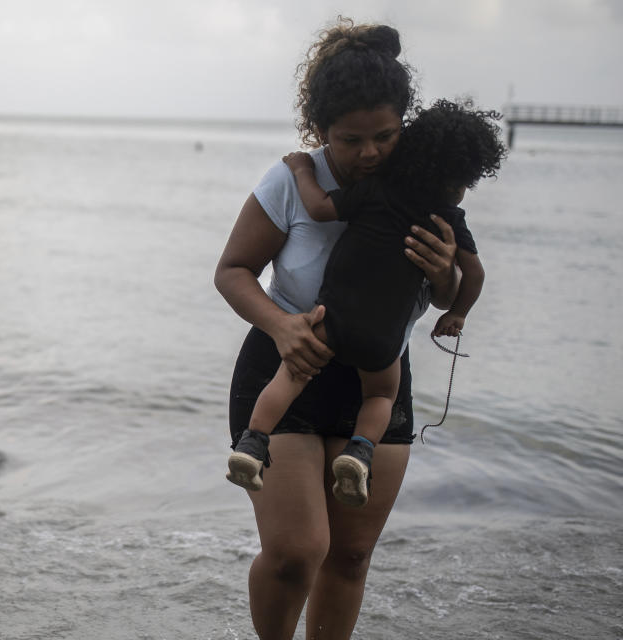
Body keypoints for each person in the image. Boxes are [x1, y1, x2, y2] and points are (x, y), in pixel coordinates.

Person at [214, 18, 462, 639]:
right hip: (286, 369)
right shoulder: (292, 183)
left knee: (349, 557)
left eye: (385, 136)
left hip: (377, 379)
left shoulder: (421, 186)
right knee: (299, 551)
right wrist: (280, 325)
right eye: (350, 140)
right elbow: (232, 270)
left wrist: (447, 277)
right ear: (319, 131)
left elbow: (443, 292)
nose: (370, 154)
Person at [227, 98, 506, 506]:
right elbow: (475, 276)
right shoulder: (449, 218)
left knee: (290, 376)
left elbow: (321, 208)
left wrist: (303, 169)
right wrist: (459, 313)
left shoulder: (374, 190)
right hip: (383, 338)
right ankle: (359, 453)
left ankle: (253, 443)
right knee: (379, 397)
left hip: (331, 319)